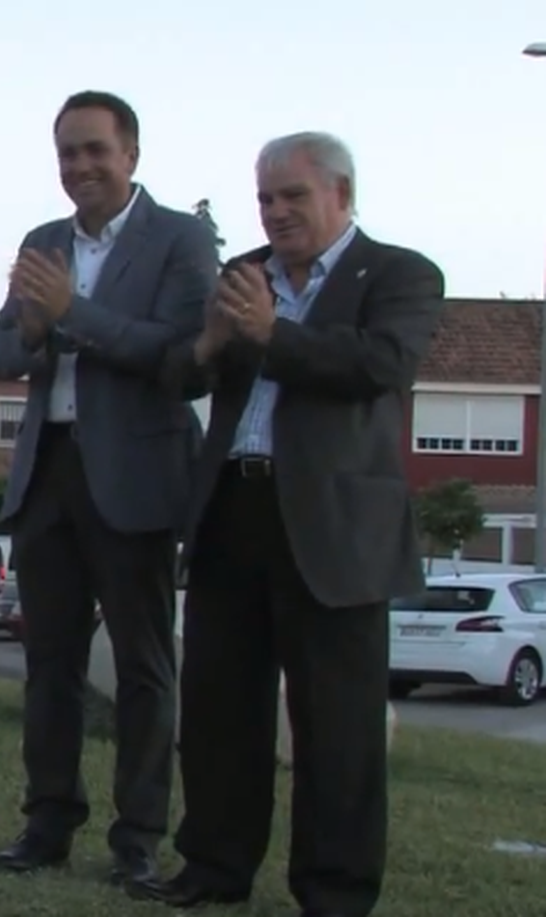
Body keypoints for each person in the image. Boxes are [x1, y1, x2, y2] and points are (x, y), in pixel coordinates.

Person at [133, 131, 444, 917]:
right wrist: (210, 341)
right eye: (265, 198)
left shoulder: (399, 274)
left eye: (292, 196)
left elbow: (378, 367)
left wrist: (275, 335)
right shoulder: (243, 278)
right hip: (234, 507)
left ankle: (334, 891)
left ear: (341, 194)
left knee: (336, 729)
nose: (274, 212)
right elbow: (179, 375)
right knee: (219, 712)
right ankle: (213, 868)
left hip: (333, 528)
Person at [0, 90, 218, 886]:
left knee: (147, 668)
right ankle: (47, 825)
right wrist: (38, 327)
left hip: (136, 479)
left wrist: (70, 313)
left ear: (132, 156)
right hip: (47, 474)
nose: (80, 167)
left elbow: (180, 353)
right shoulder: (43, 241)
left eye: (95, 151)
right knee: (50, 664)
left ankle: (138, 839)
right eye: (67, 154)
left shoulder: (182, 239)